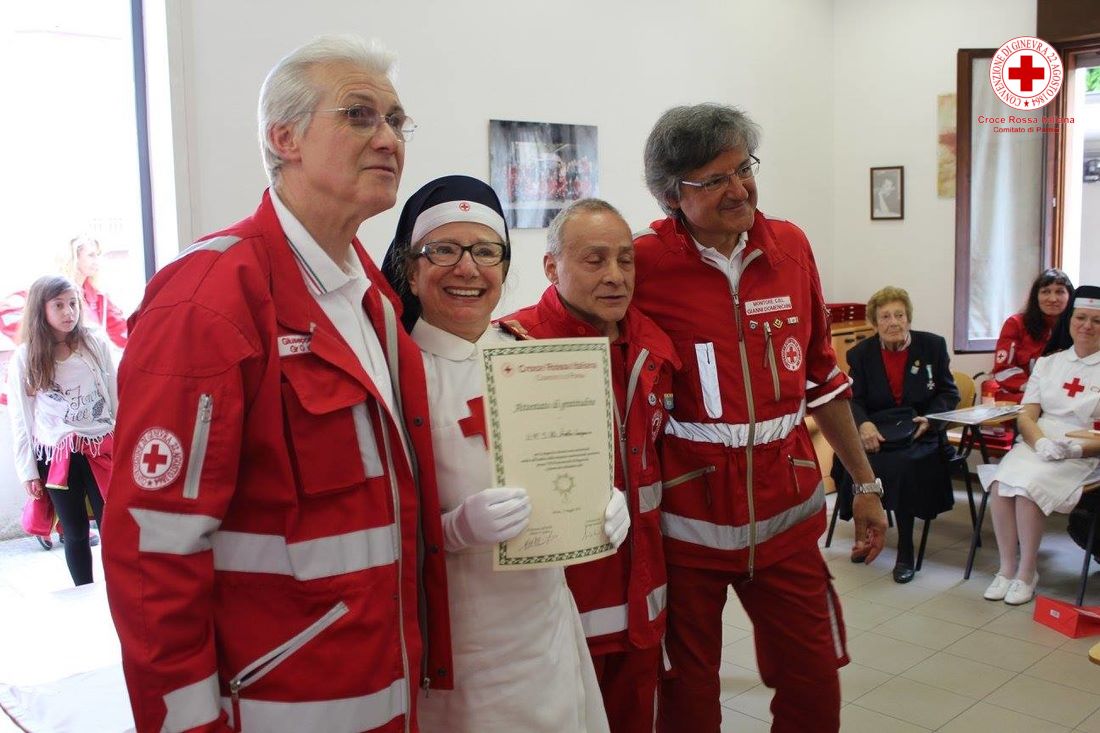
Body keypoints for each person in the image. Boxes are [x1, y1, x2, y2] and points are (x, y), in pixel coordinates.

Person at [101, 36, 452, 733]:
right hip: (276, 708)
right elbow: (154, 548)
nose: (388, 139)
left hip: (385, 697)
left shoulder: (372, 299)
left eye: (395, 120)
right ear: (283, 138)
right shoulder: (208, 300)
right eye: (358, 115)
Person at [631, 103, 887, 733]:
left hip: (787, 515)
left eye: (743, 168)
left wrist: (866, 484)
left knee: (813, 679)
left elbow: (823, 378)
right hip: (687, 525)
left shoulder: (790, 248)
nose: (739, 189)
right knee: (686, 693)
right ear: (672, 194)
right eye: (714, 179)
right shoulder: (642, 264)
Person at [381, 176, 625, 733]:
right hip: (457, 649)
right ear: (410, 271)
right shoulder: (390, 375)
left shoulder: (531, 359)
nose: (467, 269)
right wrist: (453, 530)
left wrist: (601, 504)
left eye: (486, 252)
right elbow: (366, 531)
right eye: (444, 249)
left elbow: (569, 464)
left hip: (545, 632)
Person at [499, 198, 679, 733]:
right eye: (594, 260)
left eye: (625, 260)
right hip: (556, 614)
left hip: (641, 604)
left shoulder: (654, 346)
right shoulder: (512, 348)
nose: (616, 276)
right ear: (551, 267)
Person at [831, 286, 959, 584]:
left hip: (919, 431)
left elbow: (948, 393)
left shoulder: (932, 346)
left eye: (899, 315)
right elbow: (853, 399)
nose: (893, 322)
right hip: (877, 430)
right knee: (850, 461)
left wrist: (931, 419)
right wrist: (863, 424)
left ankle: (905, 548)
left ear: (908, 318)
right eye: (885, 317)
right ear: (874, 323)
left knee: (903, 466)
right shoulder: (860, 354)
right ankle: (866, 536)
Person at [982, 285, 1100, 606]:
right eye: (1080, 318)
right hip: (1038, 442)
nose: (1087, 326)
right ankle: (1007, 568)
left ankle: (1027, 573)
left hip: (1084, 451)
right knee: (1000, 485)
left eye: (1096, 320)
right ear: (1069, 320)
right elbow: (1027, 415)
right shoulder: (1049, 364)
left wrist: (1075, 449)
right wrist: (1042, 443)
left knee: (1026, 491)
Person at [7, 275, 115, 584]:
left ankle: (118, 593)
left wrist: (124, 439)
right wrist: (28, 471)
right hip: (57, 456)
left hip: (101, 446)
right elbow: (21, 418)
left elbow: (115, 394)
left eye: (73, 304)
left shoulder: (94, 342)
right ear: (41, 309)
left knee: (113, 527)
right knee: (75, 531)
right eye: (58, 305)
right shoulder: (26, 356)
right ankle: (83, 591)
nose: (69, 312)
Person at [990, 268, 1074, 402]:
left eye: (1059, 292)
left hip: (1065, 399)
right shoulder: (1015, 324)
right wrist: (1036, 390)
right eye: (1045, 292)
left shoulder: (1079, 327)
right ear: (1036, 296)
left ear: (1070, 296)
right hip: (1021, 398)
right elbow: (1003, 370)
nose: (1053, 299)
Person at [61, 235, 128, 348]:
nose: (97, 261)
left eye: (97, 255)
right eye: (91, 255)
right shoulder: (54, 294)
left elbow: (121, 330)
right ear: (75, 258)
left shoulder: (99, 297)